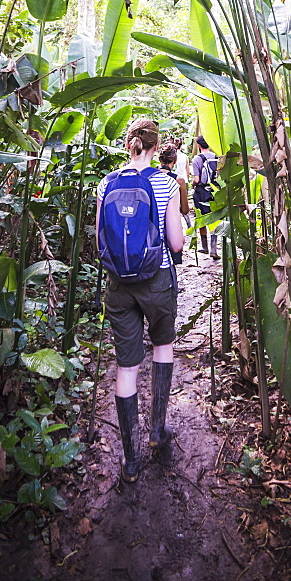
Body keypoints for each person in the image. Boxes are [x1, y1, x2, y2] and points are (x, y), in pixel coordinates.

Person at [96, 118, 184, 483]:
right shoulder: (166, 183)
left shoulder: (105, 184)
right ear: (154, 145)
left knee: (126, 366)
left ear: (129, 143)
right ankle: (156, 432)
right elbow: (176, 243)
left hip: (118, 283)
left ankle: (130, 460)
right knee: (162, 346)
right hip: (157, 279)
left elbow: (101, 235)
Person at [191, 134, 219, 259]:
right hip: (214, 191)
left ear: (199, 146)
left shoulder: (197, 159)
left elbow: (196, 179)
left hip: (201, 191)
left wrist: (192, 184)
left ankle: (204, 246)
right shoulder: (216, 157)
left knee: (201, 217)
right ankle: (214, 248)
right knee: (214, 218)